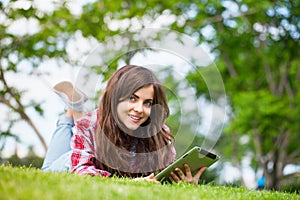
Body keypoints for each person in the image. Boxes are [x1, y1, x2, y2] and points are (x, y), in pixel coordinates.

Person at [42, 65, 207, 184]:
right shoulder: (89, 125)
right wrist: (132, 183)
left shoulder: (159, 132)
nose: (139, 109)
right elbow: (81, 171)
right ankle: (73, 110)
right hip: (76, 156)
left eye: (147, 103)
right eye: (132, 98)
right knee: (47, 171)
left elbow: (163, 174)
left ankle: (74, 107)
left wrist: (183, 181)